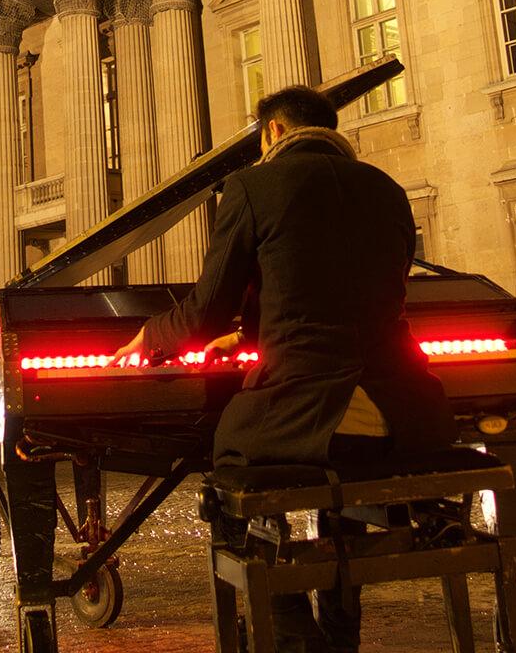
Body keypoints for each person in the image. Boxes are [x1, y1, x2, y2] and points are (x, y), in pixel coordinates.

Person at [113, 84, 456, 652]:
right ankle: (341, 633)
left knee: (227, 461)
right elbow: (336, 291)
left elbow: (204, 311)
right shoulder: (388, 189)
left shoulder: (254, 186)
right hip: (407, 411)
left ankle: (294, 630)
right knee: (338, 477)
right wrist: (249, 334)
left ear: (272, 131)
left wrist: (150, 336)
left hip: (313, 407)